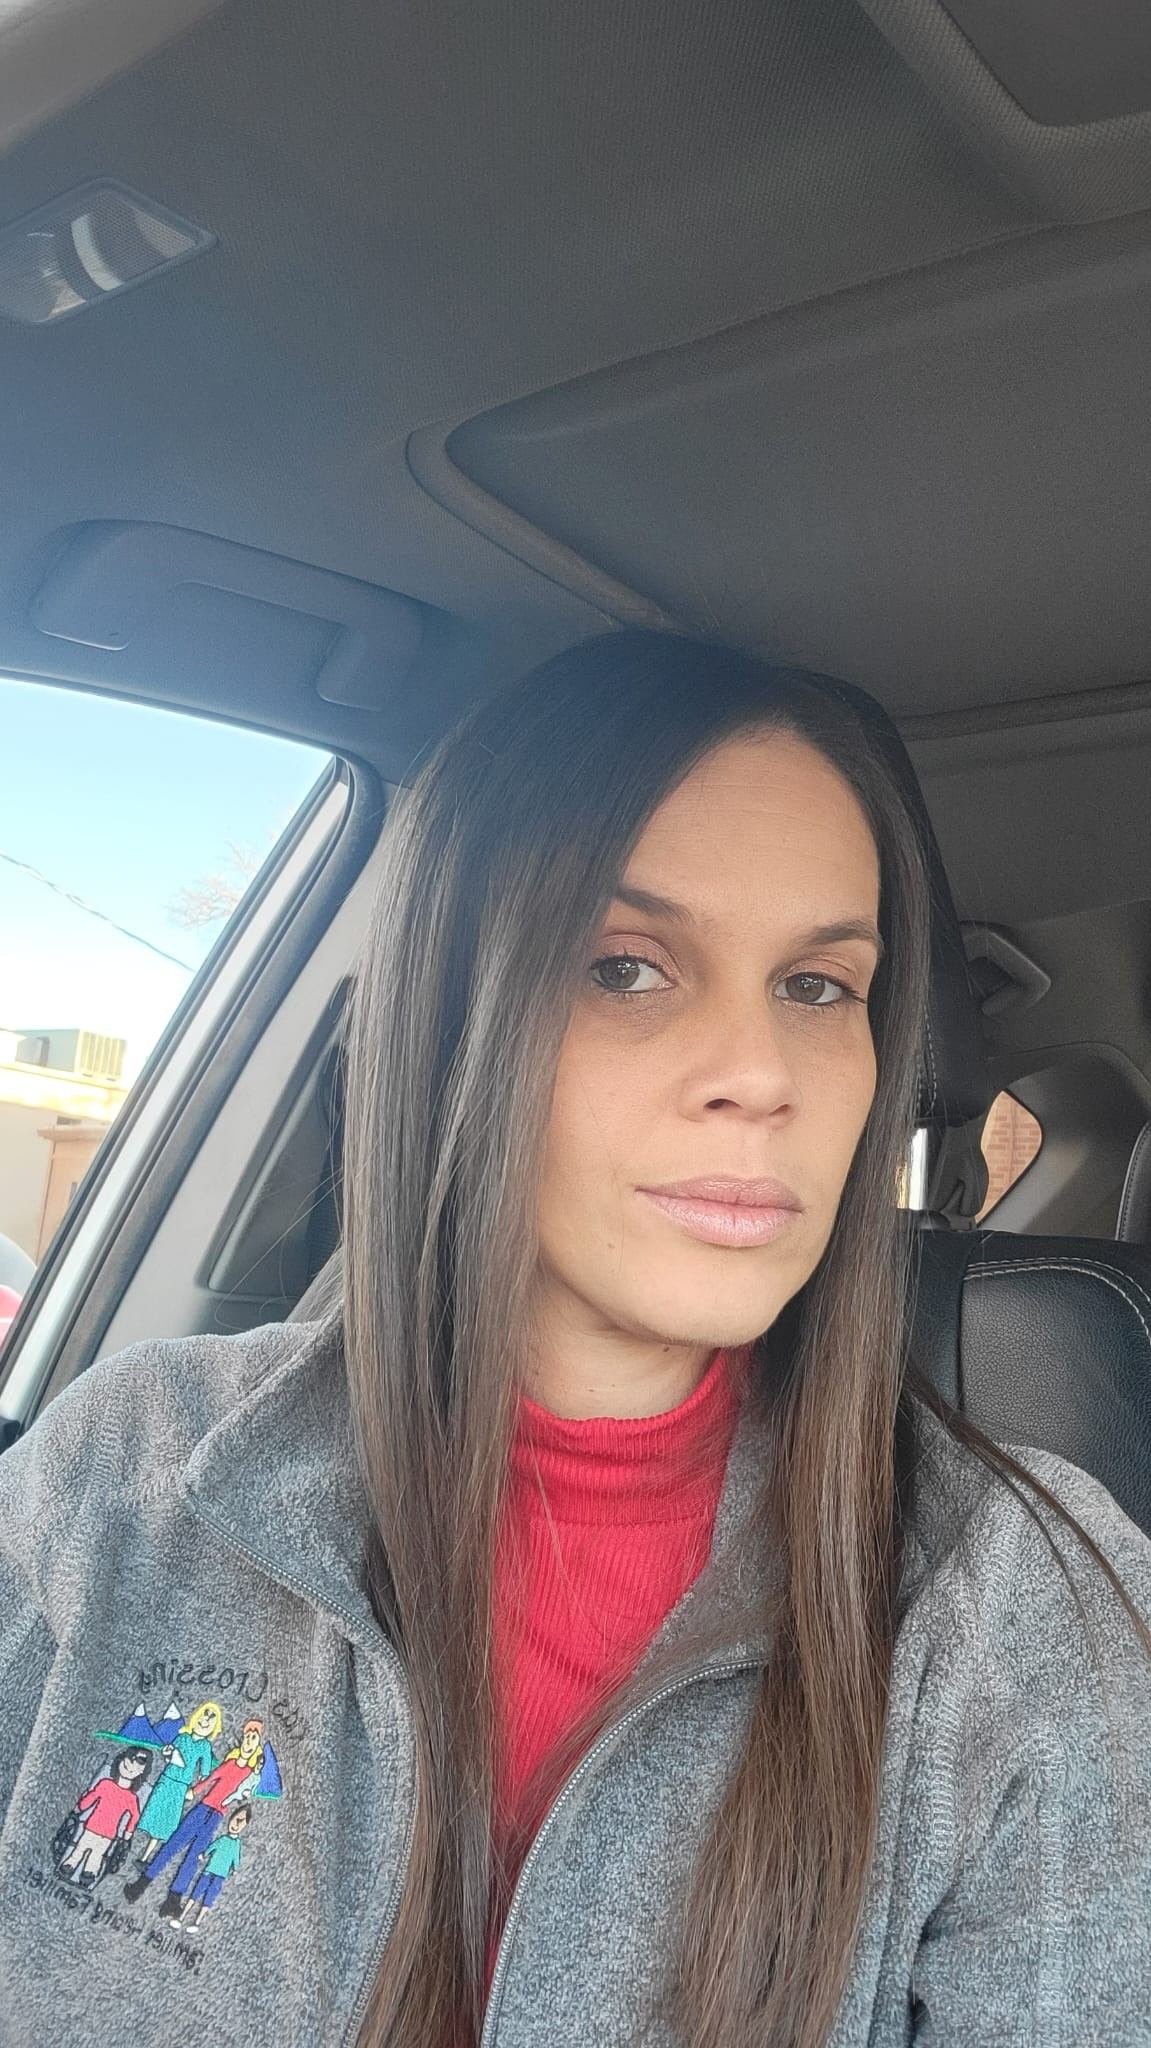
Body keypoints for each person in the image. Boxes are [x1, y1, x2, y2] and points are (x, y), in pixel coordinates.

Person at [0, 629, 1148, 2048]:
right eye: (626, 967)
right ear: (451, 1015)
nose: (759, 1076)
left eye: (817, 987)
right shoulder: (123, 1474)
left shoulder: (1034, 1620)